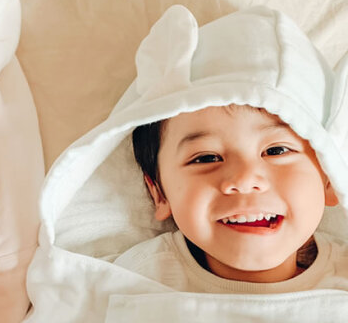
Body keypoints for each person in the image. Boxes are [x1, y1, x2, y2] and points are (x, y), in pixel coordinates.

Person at [124, 102, 342, 289]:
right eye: (207, 158)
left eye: (276, 151)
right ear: (159, 194)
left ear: (330, 180)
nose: (244, 180)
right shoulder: (132, 282)